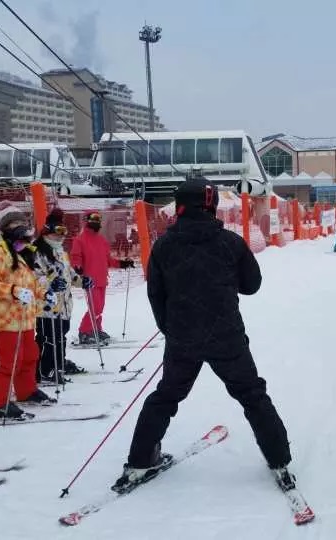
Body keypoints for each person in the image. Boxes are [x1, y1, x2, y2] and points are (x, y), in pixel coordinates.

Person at [114, 177, 293, 493]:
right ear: (212, 206)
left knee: (166, 396)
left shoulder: (164, 246)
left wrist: (171, 329)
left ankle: (141, 460)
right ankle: (279, 459)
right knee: (252, 394)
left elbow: (156, 294)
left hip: (183, 339)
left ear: (180, 206)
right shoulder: (230, 242)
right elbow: (252, 285)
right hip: (227, 337)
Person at [0, 205, 55, 419]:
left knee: (30, 357)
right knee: (9, 363)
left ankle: (26, 390)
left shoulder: (22, 251)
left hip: (26, 319)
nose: (19, 227)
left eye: (22, 223)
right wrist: (13, 291)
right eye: (14, 224)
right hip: (7, 320)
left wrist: (43, 293)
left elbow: (29, 284)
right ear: (5, 228)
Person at [31, 209, 91, 384]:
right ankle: (44, 370)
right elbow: (33, 277)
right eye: (58, 231)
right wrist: (50, 284)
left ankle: (58, 364)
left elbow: (69, 274)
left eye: (64, 231)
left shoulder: (60, 252)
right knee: (48, 338)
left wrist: (81, 281)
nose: (61, 236)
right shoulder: (37, 252)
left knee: (60, 336)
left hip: (64, 305)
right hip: (46, 306)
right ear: (47, 231)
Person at [70, 212, 135, 345]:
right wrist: (77, 267)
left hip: (102, 279)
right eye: (94, 218)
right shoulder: (80, 240)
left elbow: (108, 260)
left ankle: (96, 329)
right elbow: (76, 256)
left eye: (98, 218)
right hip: (89, 280)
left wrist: (122, 263)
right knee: (95, 307)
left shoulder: (101, 240)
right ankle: (84, 331)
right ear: (86, 220)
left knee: (100, 307)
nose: (97, 221)